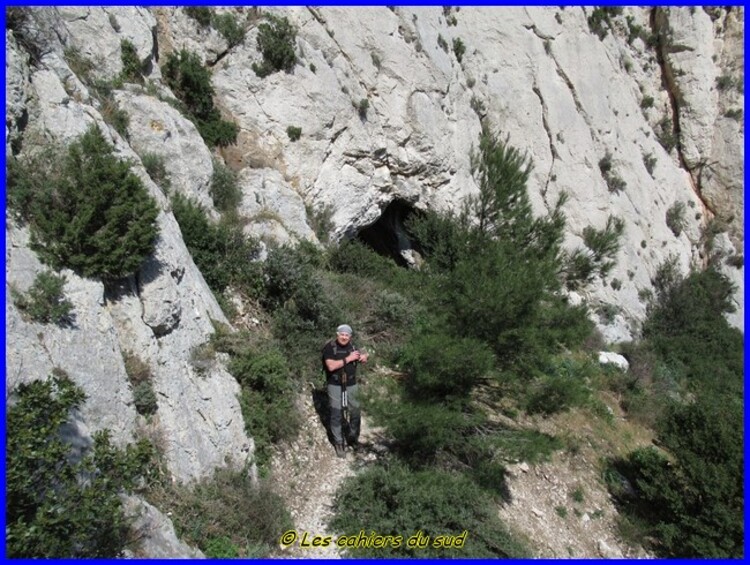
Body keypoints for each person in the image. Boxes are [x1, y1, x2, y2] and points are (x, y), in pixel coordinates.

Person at [322, 324, 368, 458]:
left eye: (346, 335)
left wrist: (364, 357)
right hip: (335, 384)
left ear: (350, 337)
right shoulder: (330, 347)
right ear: (337, 334)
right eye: (342, 334)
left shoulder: (353, 347)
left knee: (355, 411)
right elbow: (330, 366)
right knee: (336, 413)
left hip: (351, 383)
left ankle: (353, 438)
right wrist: (349, 358)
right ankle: (339, 442)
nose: (344, 337)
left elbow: (363, 355)